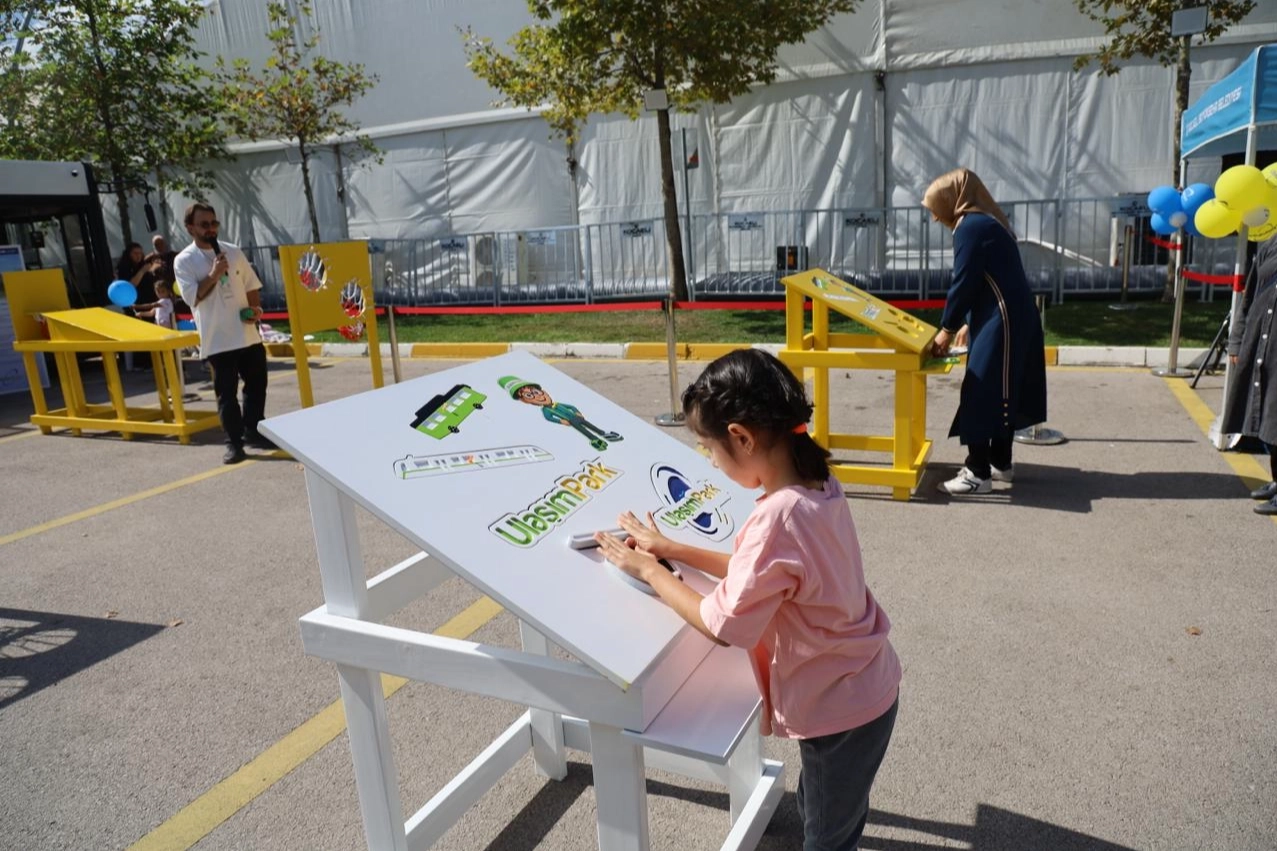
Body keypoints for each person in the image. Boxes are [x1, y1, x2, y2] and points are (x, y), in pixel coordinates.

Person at [594, 349, 900, 851]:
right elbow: (758, 571)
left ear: (741, 437)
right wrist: (674, 549)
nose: (710, 461)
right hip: (862, 689)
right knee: (828, 804)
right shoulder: (818, 484)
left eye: (709, 449)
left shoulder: (778, 518)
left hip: (841, 709)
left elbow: (722, 622)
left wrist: (649, 570)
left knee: (828, 832)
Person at [923, 167, 1047, 495]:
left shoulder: (970, 227)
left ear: (952, 200)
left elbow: (964, 281)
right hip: (1010, 317)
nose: (935, 217)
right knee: (1003, 390)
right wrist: (968, 322)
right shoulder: (989, 222)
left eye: (936, 208)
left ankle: (977, 473)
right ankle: (1000, 462)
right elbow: (990, 279)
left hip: (1003, 319)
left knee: (978, 390)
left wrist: (946, 328)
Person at [173, 202, 273, 464]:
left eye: (214, 223)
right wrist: (214, 274)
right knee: (227, 395)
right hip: (218, 339)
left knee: (257, 385)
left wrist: (255, 310)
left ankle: (254, 430)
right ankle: (234, 443)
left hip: (247, 334)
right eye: (204, 225)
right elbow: (193, 298)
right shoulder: (184, 261)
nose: (211, 229)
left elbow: (251, 284)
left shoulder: (233, 251)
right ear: (190, 228)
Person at [1223, 236, 1277, 515]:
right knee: (1267, 420)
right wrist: (1237, 341)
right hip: (1263, 345)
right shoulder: (1271, 244)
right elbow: (1250, 296)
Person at [115, 242, 161, 306]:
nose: (138, 256)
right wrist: (142, 271)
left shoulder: (142, 264)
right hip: (136, 302)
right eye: (135, 253)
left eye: (140, 253)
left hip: (150, 299)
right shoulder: (123, 268)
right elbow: (130, 285)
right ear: (128, 254)